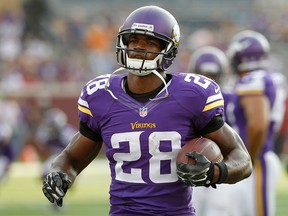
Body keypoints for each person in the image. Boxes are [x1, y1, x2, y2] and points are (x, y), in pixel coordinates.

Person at [42, 6, 252, 216]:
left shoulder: (192, 95)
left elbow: (242, 159)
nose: (138, 48)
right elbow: (70, 158)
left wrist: (215, 172)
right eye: (133, 40)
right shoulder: (102, 96)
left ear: (168, 50)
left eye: (150, 42)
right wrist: (59, 174)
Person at [225, 30, 283, 216]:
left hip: (256, 159)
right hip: (256, 155)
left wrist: (245, 157)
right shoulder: (265, 78)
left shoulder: (254, 79)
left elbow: (257, 125)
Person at [187, 45, 239, 216]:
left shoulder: (230, 98)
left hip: (220, 162)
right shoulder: (184, 99)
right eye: (204, 76)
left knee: (218, 208)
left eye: (212, 76)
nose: (208, 81)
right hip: (192, 163)